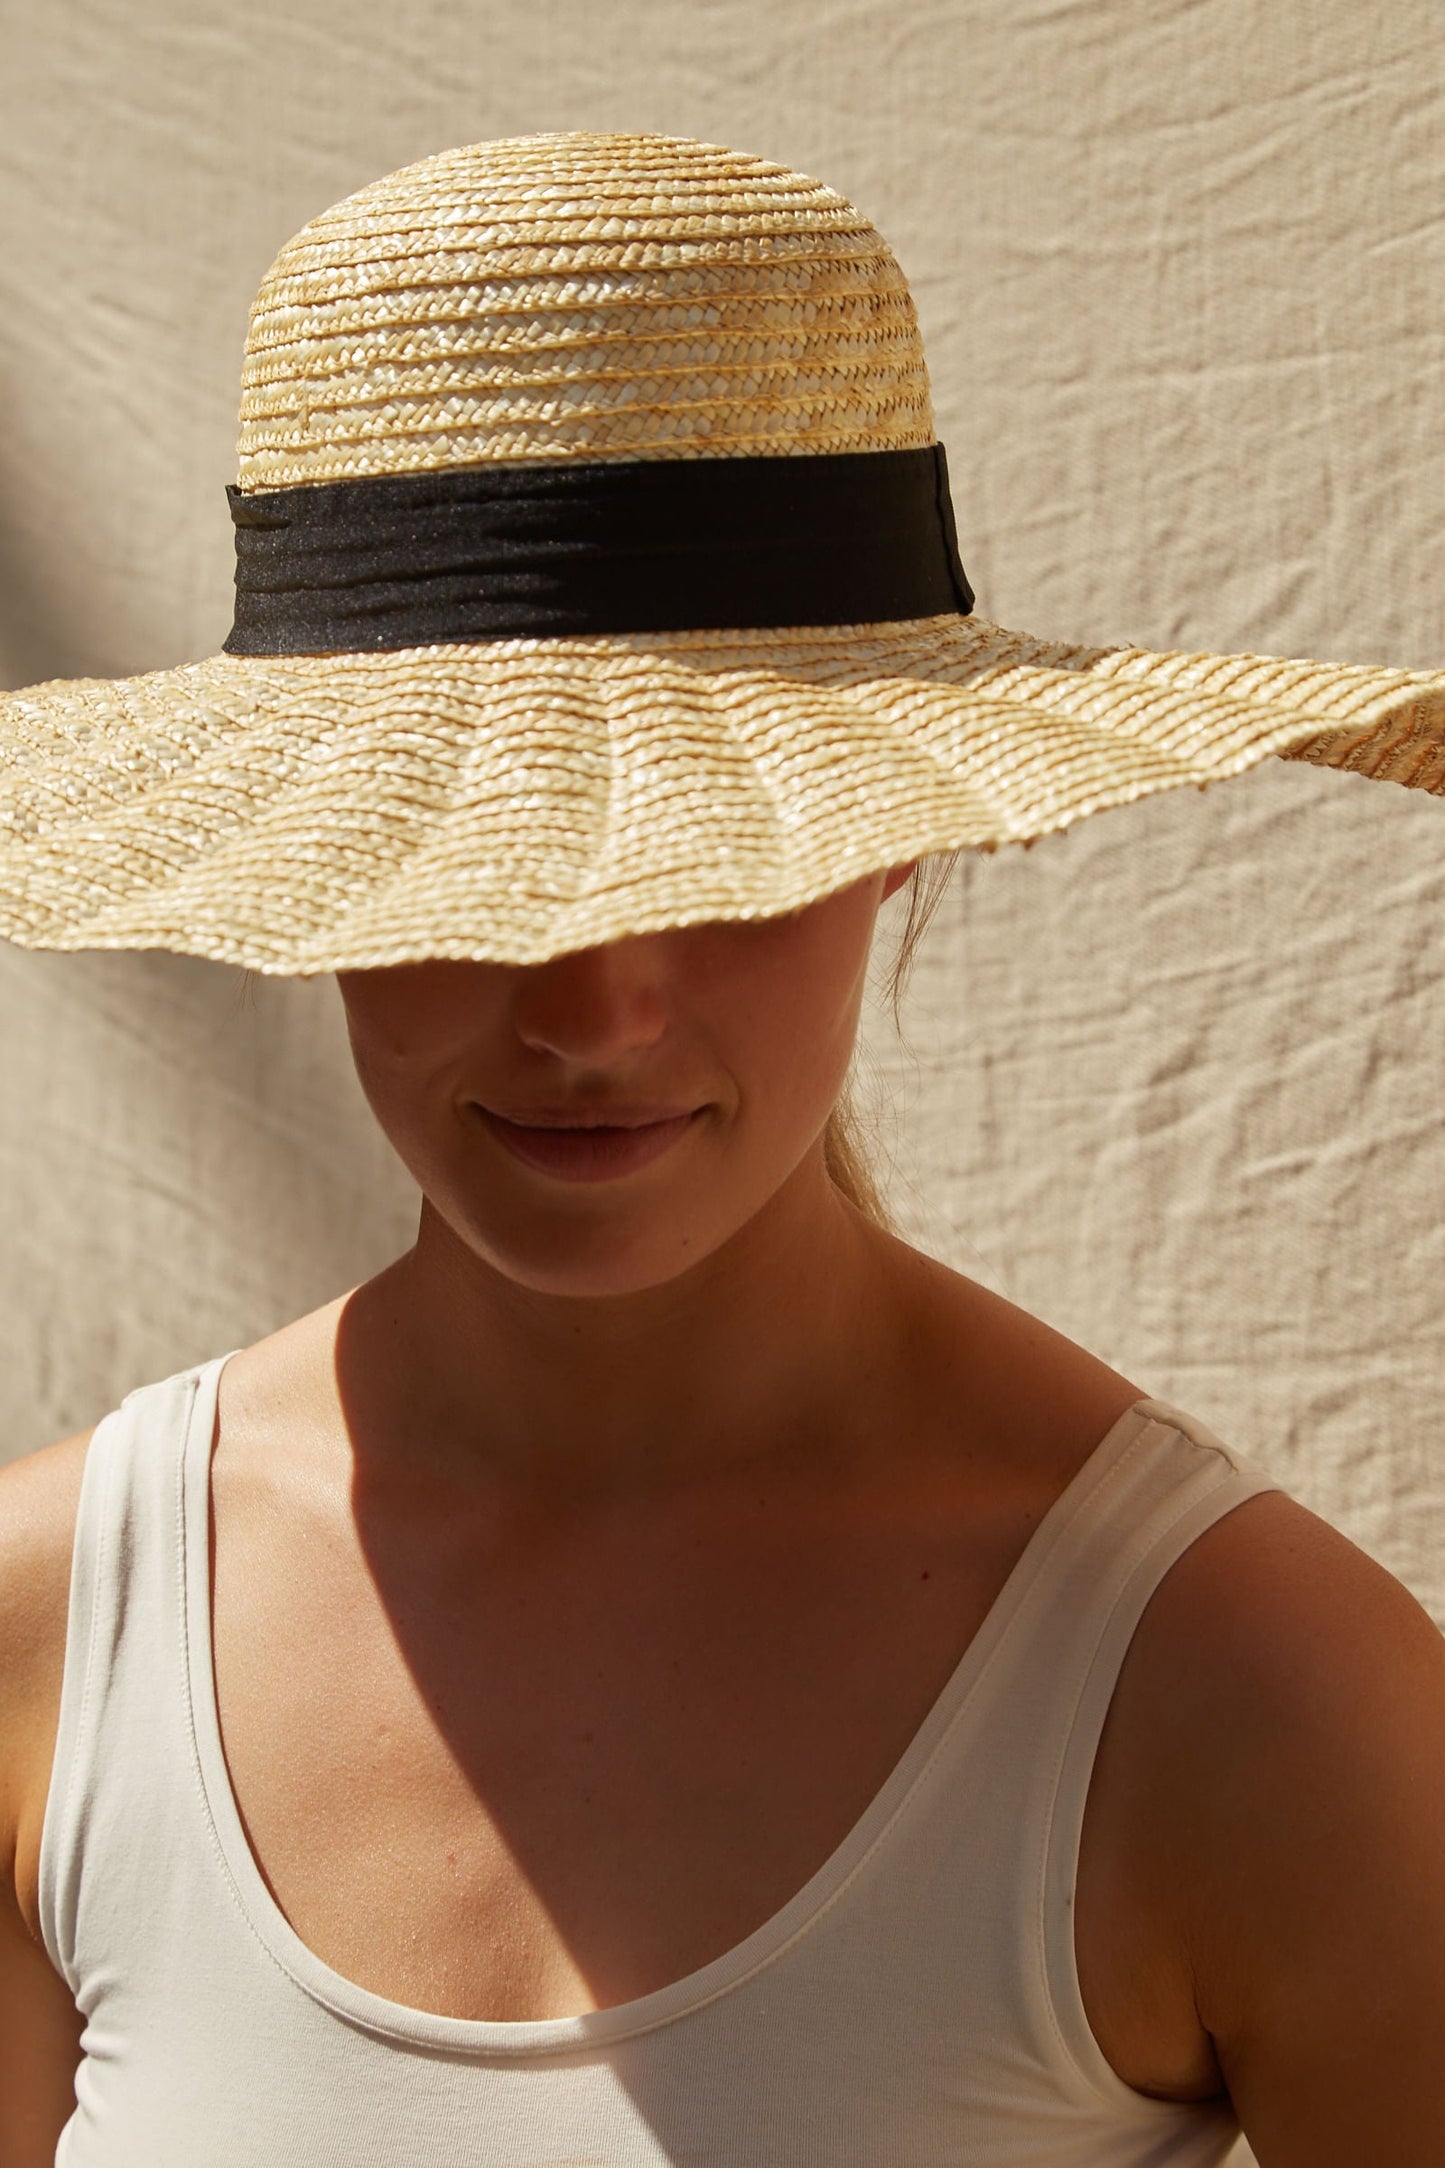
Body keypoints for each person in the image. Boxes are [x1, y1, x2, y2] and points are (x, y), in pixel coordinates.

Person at [0, 132, 1442, 2168]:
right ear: (301, 888)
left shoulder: (1254, 1698)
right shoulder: (49, 1634)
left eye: (718, 863)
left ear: (908, 836)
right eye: (464, 864)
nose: (593, 1010)